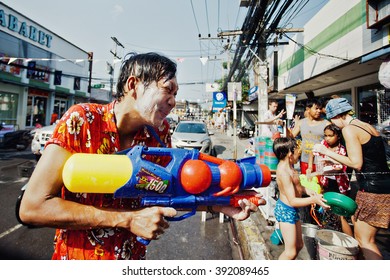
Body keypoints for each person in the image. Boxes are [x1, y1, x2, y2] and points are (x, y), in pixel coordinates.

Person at [19, 52, 264, 260]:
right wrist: (127, 220)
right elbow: (33, 207)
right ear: (133, 85)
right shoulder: (81, 120)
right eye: (168, 90)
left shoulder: (158, 133)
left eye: (176, 93)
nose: (173, 101)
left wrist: (223, 204)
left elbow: (170, 192)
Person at [313, 98, 390, 260]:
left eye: (330, 118)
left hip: (372, 190)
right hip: (381, 186)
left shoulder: (349, 130)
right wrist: (333, 160)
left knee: (365, 240)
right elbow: (367, 158)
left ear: (337, 116)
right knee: (363, 235)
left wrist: (325, 151)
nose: (331, 122)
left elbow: (356, 163)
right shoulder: (366, 126)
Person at [273, 137, 329, 260]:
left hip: (291, 210)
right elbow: (292, 200)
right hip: (286, 211)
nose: (300, 154)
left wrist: (308, 191)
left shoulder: (290, 167)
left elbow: (298, 186)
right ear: (289, 153)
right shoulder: (284, 172)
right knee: (290, 252)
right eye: (298, 151)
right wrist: (314, 200)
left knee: (299, 245)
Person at [307, 124, 352, 236]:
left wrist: (329, 161)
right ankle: (328, 233)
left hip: (339, 185)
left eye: (330, 136)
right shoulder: (323, 144)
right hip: (326, 182)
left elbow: (340, 167)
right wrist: (309, 168)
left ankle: (352, 242)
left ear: (338, 136)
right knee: (325, 209)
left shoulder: (342, 149)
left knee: (340, 215)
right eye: (325, 135)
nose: (327, 138)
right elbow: (312, 153)